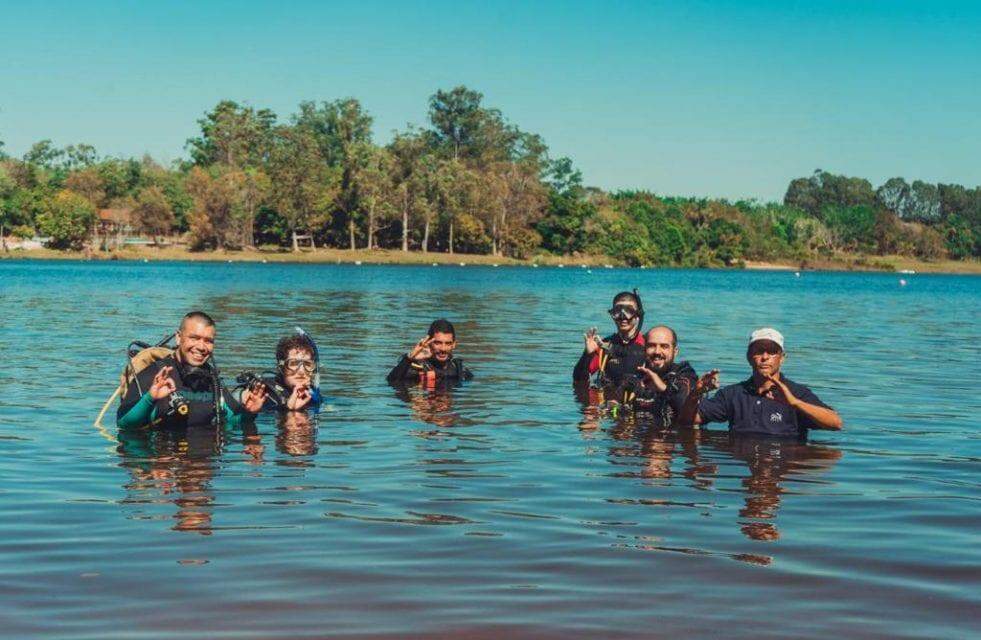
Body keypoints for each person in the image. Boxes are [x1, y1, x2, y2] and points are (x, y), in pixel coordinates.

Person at [678, 328, 843, 437]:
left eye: (772, 352)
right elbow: (688, 421)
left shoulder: (797, 393)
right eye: (758, 352)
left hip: (784, 462)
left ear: (782, 358)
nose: (765, 357)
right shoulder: (733, 394)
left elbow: (836, 423)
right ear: (749, 356)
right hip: (742, 463)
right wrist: (696, 393)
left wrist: (795, 403)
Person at [116, 311, 266, 429]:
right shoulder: (154, 374)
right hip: (164, 463)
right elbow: (124, 424)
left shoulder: (212, 378)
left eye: (208, 341)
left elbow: (230, 421)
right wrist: (150, 398)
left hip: (205, 464)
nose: (201, 347)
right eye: (194, 338)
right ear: (178, 338)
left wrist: (249, 413)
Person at [573, 290, 646, 388]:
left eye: (629, 311)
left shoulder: (648, 345)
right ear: (612, 315)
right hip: (608, 400)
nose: (622, 317)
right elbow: (579, 381)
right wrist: (587, 354)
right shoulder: (604, 346)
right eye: (617, 312)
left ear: (638, 315)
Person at [627, 325, 698, 425]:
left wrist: (664, 388)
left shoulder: (685, 375)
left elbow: (686, 408)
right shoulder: (637, 376)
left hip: (673, 437)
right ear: (644, 349)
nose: (657, 351)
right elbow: (614, 403)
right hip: (640, 436)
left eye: (664, 346)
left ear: (675, 351)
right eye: (652, 345)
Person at [387, 318, 473, 385]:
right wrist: (409, 358)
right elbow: (391, 382)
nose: (443, 349)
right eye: (438, 343)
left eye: (448, 343)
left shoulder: (458, 368)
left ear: (454, 344)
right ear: (429, 343)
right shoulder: (415, 367)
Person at [253, 331, 323, 412]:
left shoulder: (313, 395)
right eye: (293, 363)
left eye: (307, 364)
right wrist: (288, 410)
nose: (301, 371)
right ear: (281, 368)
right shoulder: (265, 394)